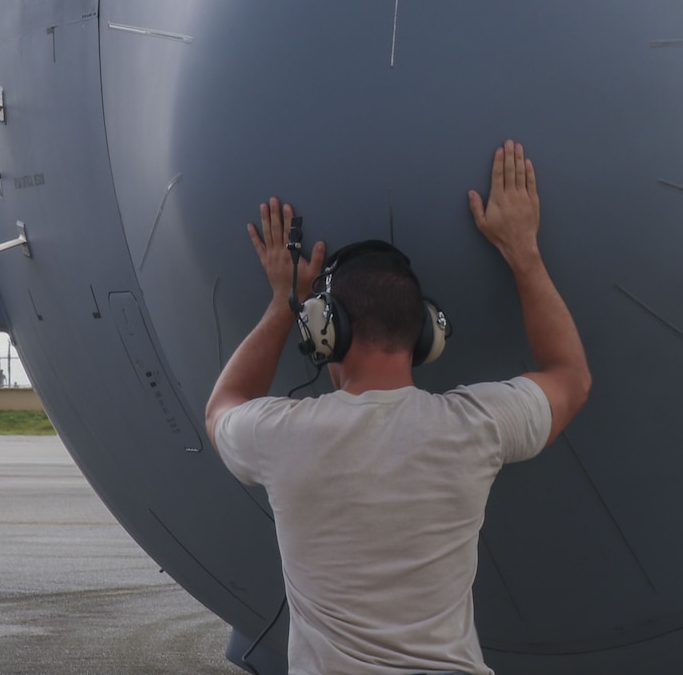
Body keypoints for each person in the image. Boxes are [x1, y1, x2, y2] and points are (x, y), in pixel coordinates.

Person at [206, 140, 591, 675]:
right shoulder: (477, 427)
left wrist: (280, 302)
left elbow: (223, 406)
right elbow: (570, 378)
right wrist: (522, 251)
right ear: (426, 336)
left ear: (327, 335)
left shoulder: (283, 437)